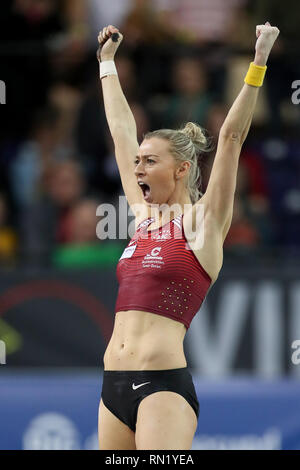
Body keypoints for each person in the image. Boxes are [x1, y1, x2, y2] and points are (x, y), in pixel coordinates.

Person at [97, 23, 279, 450]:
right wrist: (107, 66)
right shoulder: (142, 216)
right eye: (137, 162)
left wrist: (258, 62)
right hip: (111, 386)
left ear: (181, 168)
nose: (137, 168)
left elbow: (231, 139)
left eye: (149, 161)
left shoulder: (202, 224)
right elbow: (121, 132)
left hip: (162, 387)